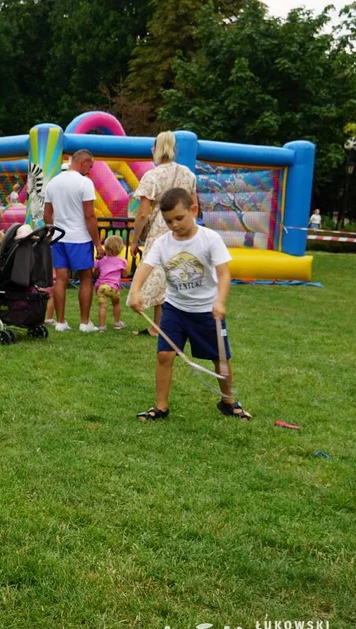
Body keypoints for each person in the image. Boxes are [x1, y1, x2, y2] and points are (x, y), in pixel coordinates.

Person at [129, 188, 249, 421]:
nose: (174, 225)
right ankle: (161, 407)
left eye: (179, 218)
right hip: (174, 309)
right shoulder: (163, 243)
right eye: (168, 221)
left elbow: (224, 274)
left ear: (193, 210)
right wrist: (135, 292)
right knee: (165, 355)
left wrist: (220, 301)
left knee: (220, 358)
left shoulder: (209, 239)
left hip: (207, 311)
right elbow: (145, 267)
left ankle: (228, 401)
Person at [131, 131, 197, 336]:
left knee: (159, 275)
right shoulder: (188, 174)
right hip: (185, 227)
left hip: (161, 227)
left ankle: (159, 326)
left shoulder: (152, 176)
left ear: (155, 150)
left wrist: (135, 240)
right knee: (177, 275)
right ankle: (164, 326)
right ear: (175, 150)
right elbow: (195, 205)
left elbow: (142, 213)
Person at [44, 149, 101, 332]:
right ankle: (85, 322)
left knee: (61, 279)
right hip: (80, 238)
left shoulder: (53, 182)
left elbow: (47, 214)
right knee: (85, 278)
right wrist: (98, 243)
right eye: (90, 166)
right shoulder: (85, 183)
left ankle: (60, 321)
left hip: (59, 237)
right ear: (83, 162)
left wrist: (53, 231)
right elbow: (90, 215)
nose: (90, 170)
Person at [93, 235, 127, 330]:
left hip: (102, 287)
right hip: (113, 288)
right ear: (120, 249)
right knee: (116, 303)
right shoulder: (122, 261)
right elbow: (124, 275)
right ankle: (117, 323)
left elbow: (96, 273)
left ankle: (102, 326)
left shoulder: (100, 261)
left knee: (102, 306)